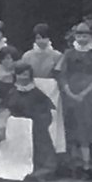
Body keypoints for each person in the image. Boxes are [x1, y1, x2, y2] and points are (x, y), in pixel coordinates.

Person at [55, 22, 92, 179]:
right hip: (71, 95)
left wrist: (84, 93)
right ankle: (74, 165)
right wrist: (70, 92)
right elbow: (62, 75)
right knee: (72, 126)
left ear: (90, 37)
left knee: (89, 126)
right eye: (79, 35)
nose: (82, 38)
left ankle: (91, 164)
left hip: (91, 96)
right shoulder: (69, 54)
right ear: (74, 37)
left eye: (85, 35)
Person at [5, 62, 57, 181]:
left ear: (30, 76)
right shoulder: (12, 91)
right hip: (17, 128)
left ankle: (43, 170)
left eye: (25, 74)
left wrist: (37, 120)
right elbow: (8, 107)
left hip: (36, 126)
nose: (22, 77)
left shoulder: (37, 93)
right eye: (19, 74)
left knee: (40, 146)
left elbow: (48, 109)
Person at [21, 23, 66, 156]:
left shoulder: (57, 55)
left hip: (51, 89)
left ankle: (53, 157)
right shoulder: (27, 56)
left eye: (44, 38)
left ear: (49, 38)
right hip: (33, 88)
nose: (41, 41)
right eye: (38, 38)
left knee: (52, 121)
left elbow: (60, 75)